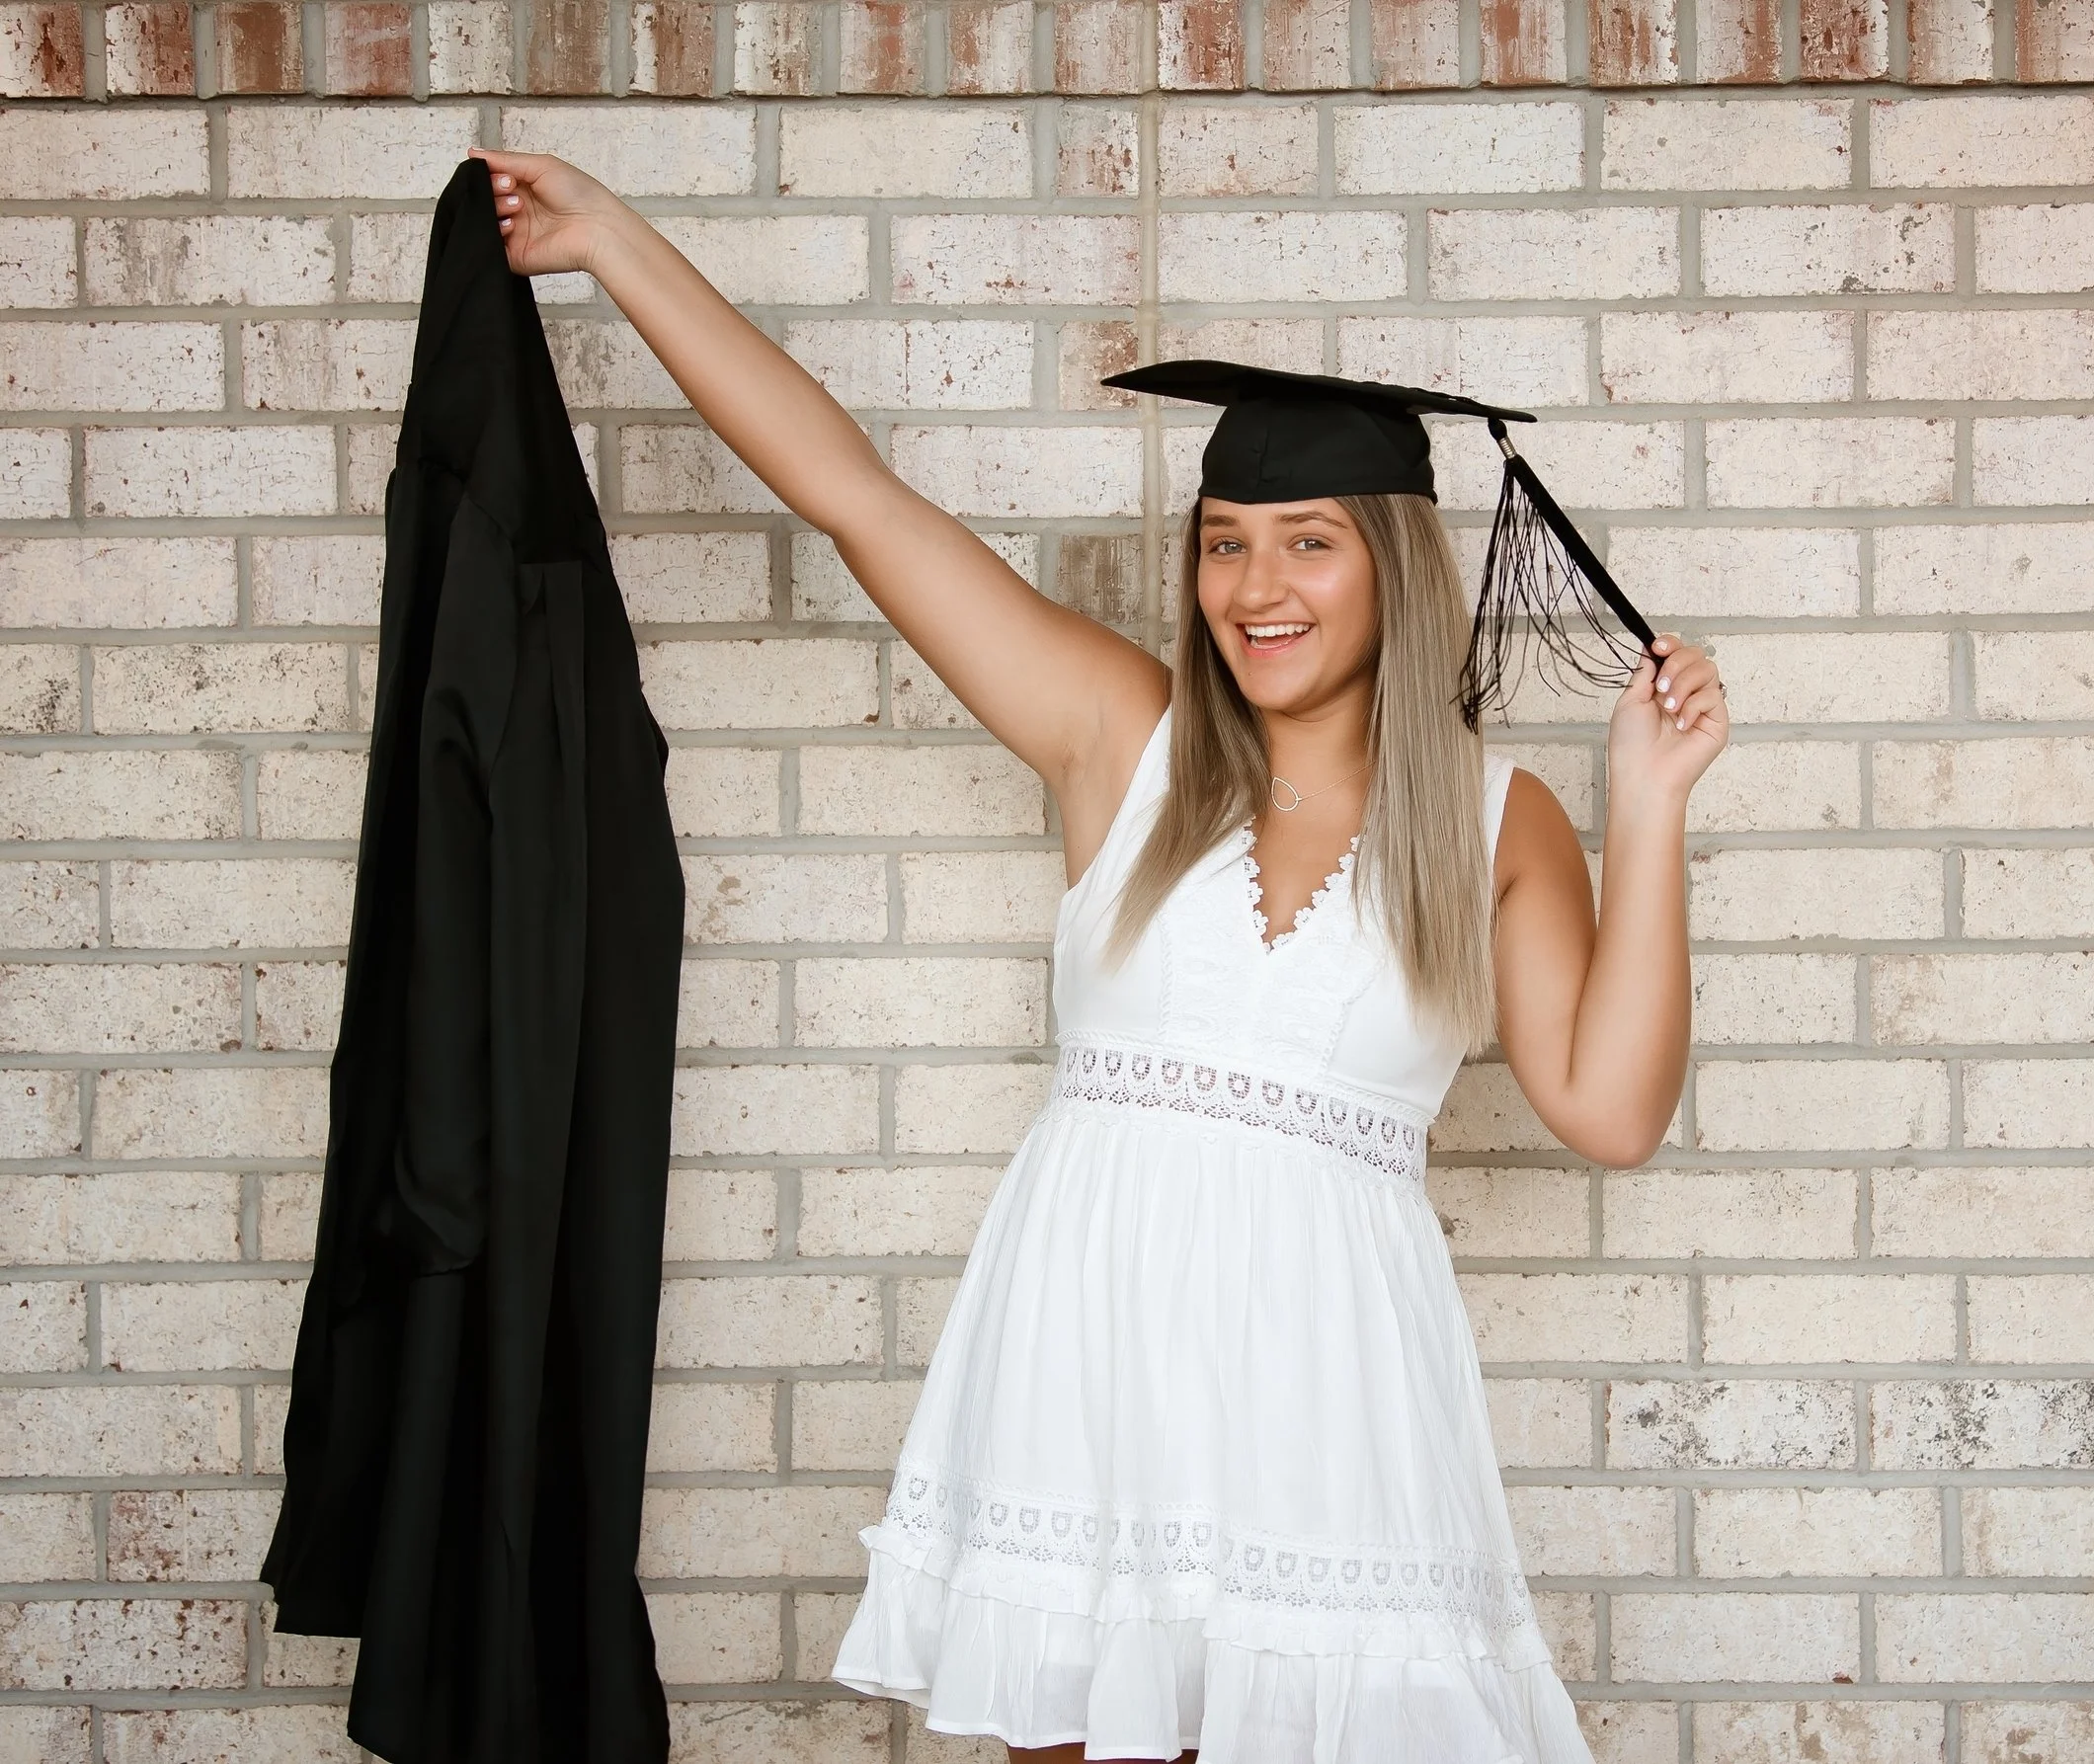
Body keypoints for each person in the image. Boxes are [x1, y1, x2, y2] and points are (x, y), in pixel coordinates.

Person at [467, 143, 1730, 1764]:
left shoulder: (1498, 821)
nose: (1253, 588)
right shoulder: (1120, 739)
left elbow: (1611, 1110)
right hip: (1092, 1358)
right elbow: (856, 496)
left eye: (1306, 542)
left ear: (1393, 563)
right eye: (1224, 541)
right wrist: (615, 247)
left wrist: (1655, 804)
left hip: (1325, 1388)